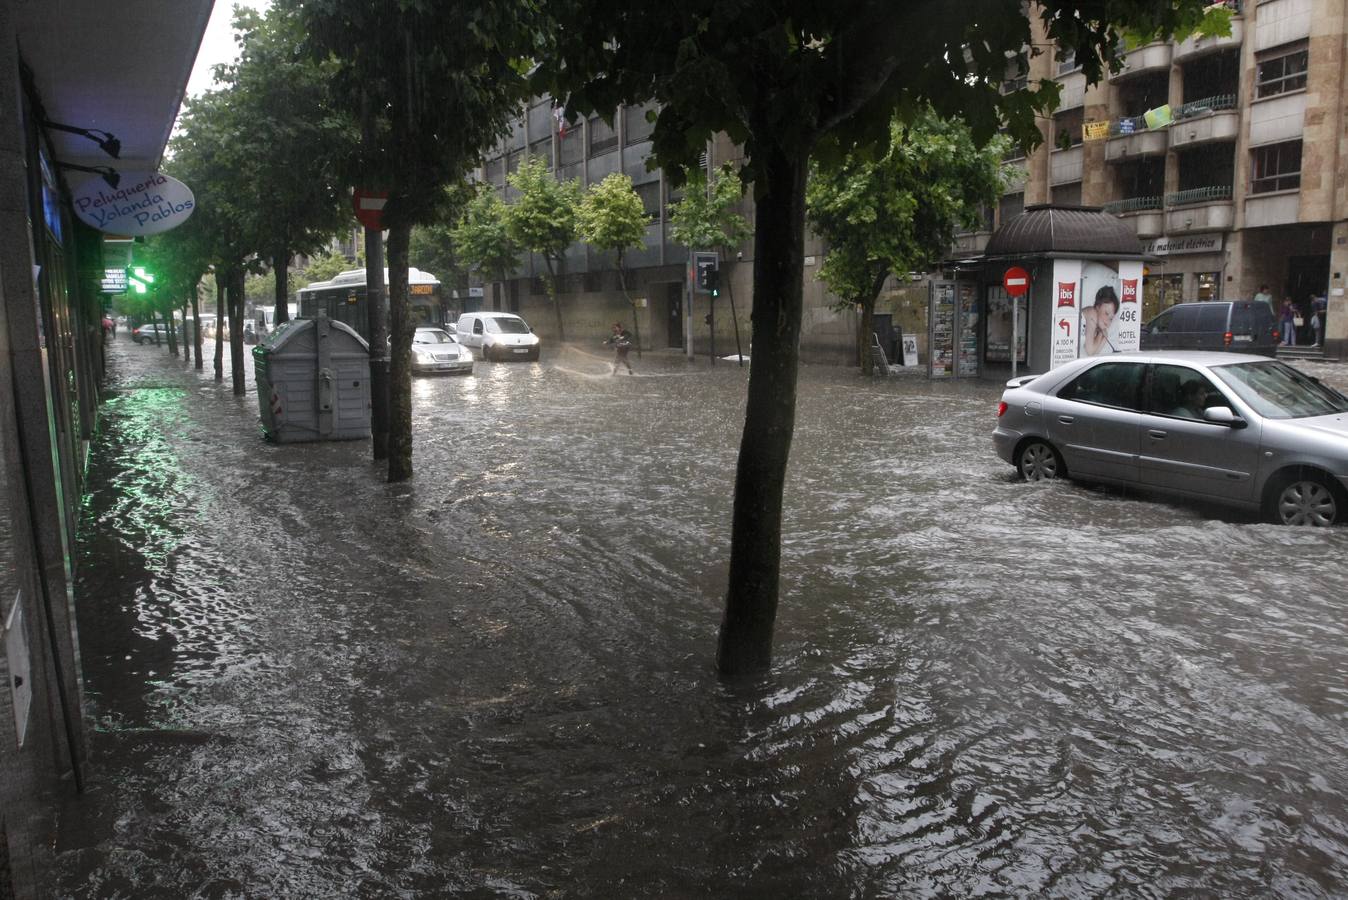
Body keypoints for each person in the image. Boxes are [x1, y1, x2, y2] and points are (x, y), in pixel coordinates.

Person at [1081, 286, 1120, 356]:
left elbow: (1092, 355)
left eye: (1111, 318)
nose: (1108, 321)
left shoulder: (1097, 330)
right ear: (1097, 307)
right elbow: (1089, 351)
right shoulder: (1091, 313)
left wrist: (1104, 337)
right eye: (1106, 313)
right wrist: (1101, 335)